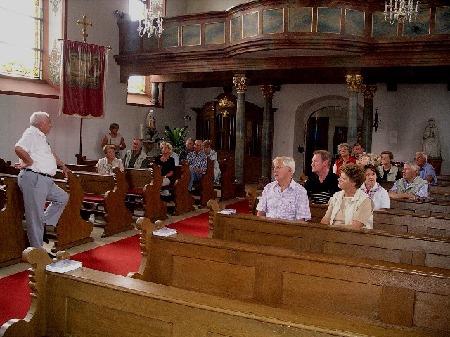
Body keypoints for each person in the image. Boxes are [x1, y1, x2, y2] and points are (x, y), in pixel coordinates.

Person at [14, 111, 70, 254]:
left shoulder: (41, 137)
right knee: (35, 216)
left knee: (62, 197)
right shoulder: (31, 134)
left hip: (45, 179)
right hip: (34, 178)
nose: (51, 125)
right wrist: (29, 161)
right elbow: (18, 148)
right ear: (41, 124)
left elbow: (50, 154)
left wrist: (62, 165)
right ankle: (37, 252)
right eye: (49, 122)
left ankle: (42, 224)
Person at [256, 156, 311, 221]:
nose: (275, 170)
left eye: (278, 167)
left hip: (289, 229)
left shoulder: (300, 191)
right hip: (268, 228)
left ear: (289, 170)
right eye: (274, 168)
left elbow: (301, 220)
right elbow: (260, 213)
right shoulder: (268, 188)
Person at [321, 163, 373, 229]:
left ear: (354, 183)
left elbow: (355, 227)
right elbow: (325, 220)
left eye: (343, 178)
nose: (339, 180)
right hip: (332, 234)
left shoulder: (365, 201)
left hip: (353, 236)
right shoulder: (336, 196)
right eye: (340, 177)